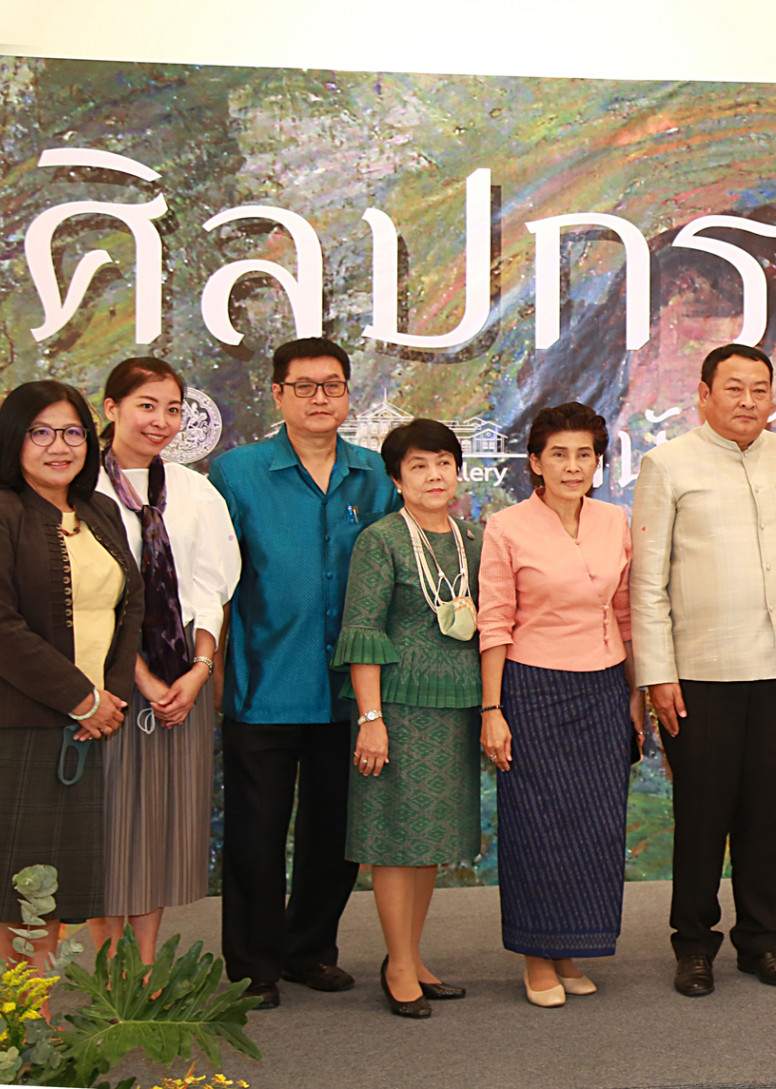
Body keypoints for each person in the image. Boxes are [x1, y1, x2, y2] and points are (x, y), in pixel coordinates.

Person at [630, 343, 776, 998]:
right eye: (734, 388)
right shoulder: (668, 464)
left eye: (759, 389)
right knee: (701, 814)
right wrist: (656, 671)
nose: (748, 401)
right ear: (703, 394)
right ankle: (693, 944)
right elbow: (647, 582)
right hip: (698, 674)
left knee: (764, 813)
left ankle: (761, 939)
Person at [209, 337, 399, 1008]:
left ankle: (309, 949)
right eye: (305, 386)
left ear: (348, 393)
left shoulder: (375, 476)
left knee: (336, 834)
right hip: (264, 682)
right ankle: (253, 965)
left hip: (350, 693)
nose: (321, 397)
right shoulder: (236, 473)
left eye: (333, 385)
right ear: (278, 394)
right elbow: (215, 582)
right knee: (256, 837)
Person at [0, 381, 140, 956]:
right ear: (15, 440)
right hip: (7, 733)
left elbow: (131, 609)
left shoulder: (99, 510)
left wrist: (109, 701)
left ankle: (31, 1024)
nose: (59, 445)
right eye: (41, 432)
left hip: (83, 733)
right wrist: (81, 699)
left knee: (51, 892)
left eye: (72, 432)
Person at [478, 402, 646, 1008]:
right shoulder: (507, 526)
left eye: (584, 455)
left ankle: (570, 948)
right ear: (535, 463)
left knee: (594, 828)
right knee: (538, 826)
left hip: (602, 688)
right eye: (559, 454)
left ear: (599, 462)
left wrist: (634, 696)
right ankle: (536, 957)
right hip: (531, 688)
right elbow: (494, 623)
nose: (573, 466)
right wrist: (491, 710)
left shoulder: (615, 522)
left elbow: (625, 615)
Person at [88, 358, 241, 962]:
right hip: (107, 687)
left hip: (183, 688)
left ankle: (144, 965)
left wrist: (200, 670)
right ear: (111, 408)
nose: (160, 421)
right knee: (106, 834)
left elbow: (212, 587)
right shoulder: (79, 488)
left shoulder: (192, 490)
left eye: (172, 409)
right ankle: (108, 968)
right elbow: (88, 602)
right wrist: (143, 680)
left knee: (156, 832)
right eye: (146, 405)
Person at [333, 419, 484, 1018]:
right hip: (396, 707)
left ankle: (414, 956)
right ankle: (397, 964)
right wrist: (371, 716)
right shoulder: (381, 540)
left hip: (458, 706)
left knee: (430, 840)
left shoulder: (474, 539)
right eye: (419, 465)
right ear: (396, 478)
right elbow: (363, 631)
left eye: (443, 462)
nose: (434, 475)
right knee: (396, 839)